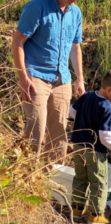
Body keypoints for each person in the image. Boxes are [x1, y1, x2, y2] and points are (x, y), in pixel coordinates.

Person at [11, 0, 85, 160]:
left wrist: (80, 78)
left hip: (62, 80)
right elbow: (17, 41)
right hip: (36, 77)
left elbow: (75, 47)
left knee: (59, 136)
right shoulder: (37, 7)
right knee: (35, 131)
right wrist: (23, 77)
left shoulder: (76, 12)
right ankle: (27, 177)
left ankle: (48, 179)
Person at [69, 70, 111, 224]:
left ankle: (77, 208)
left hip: (77, 145)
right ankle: (96, 215)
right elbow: (105, 135)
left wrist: (83, 122)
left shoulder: (86, 96)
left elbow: (72, 111)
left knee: (80, 177)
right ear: (109, 90)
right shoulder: (107, 108)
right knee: (99, 182)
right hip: (95, 150)